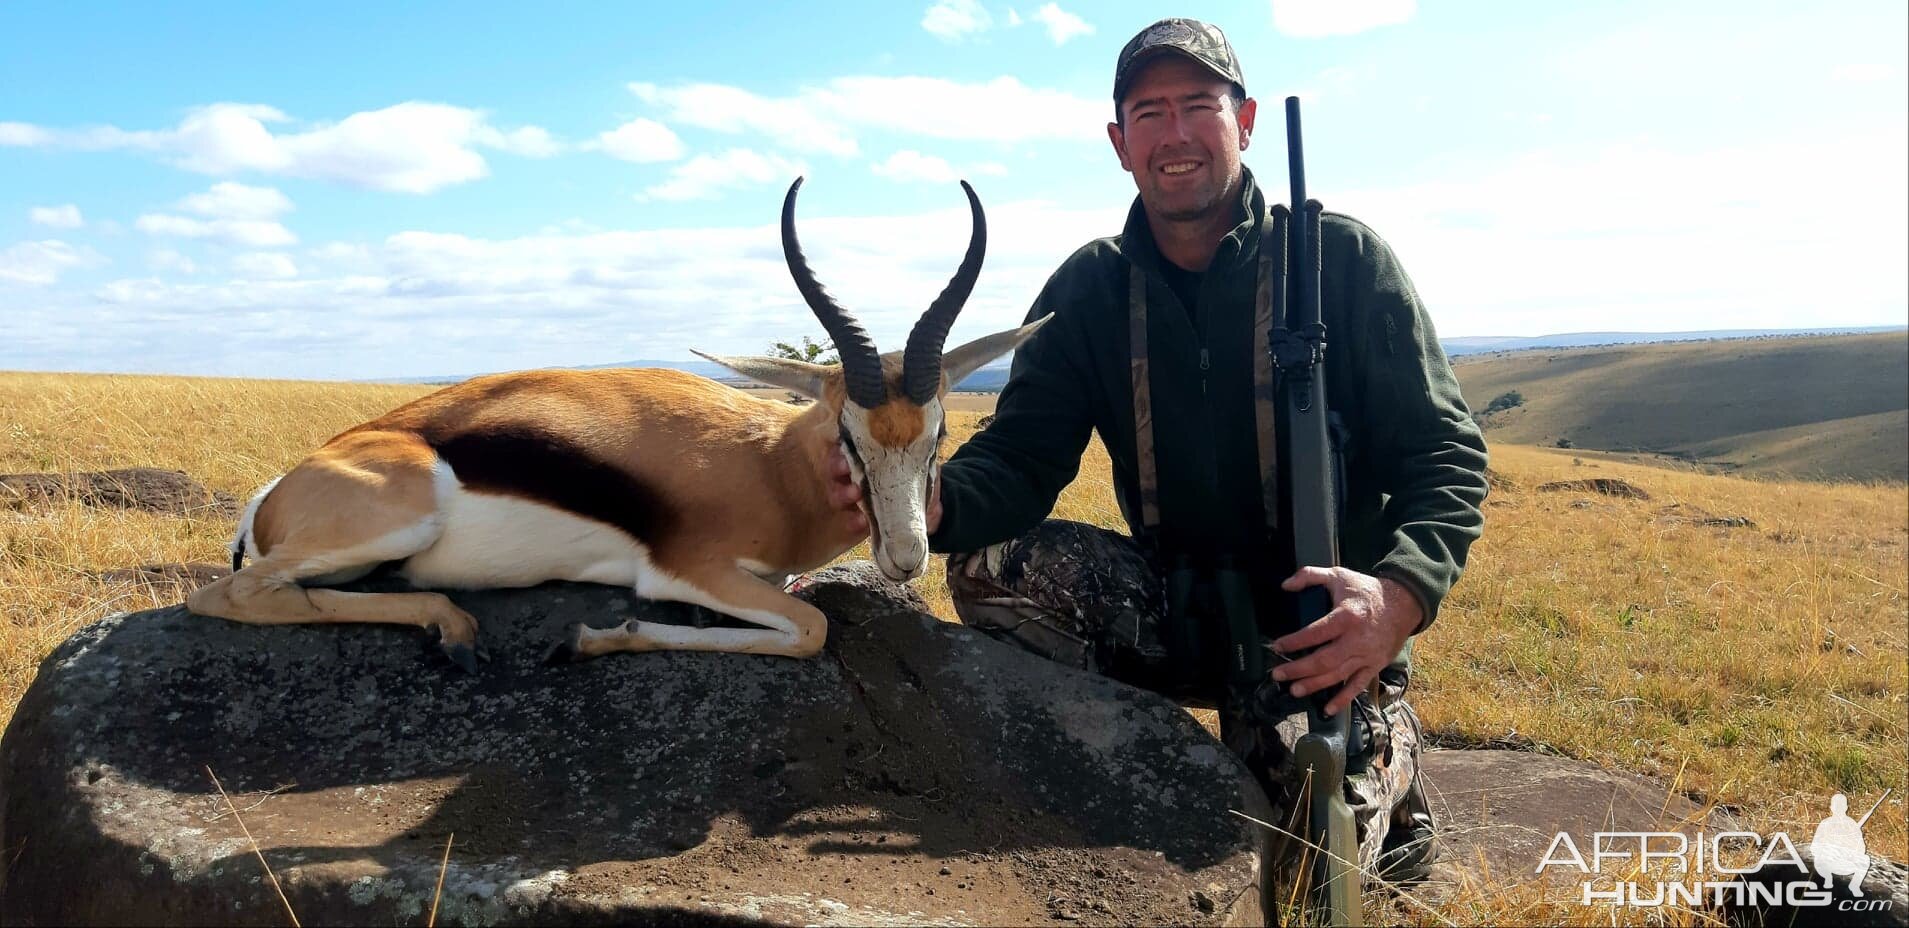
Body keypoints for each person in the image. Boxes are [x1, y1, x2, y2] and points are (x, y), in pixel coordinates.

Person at [828, 17, 1488, 888]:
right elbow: (1021, 457)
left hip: (1315, 633)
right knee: (988, 566)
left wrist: (1396, 601)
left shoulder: (1342, 260)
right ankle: (1125, 753)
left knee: (1298, 871)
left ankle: (1383, 758)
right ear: (1118, 142)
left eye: (1197, 105)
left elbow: (1445, 455)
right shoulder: (1087, 288)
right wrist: (936, 499)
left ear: (1244, 121)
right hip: (1173, 606)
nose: (1174, 134)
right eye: (1148, 112)